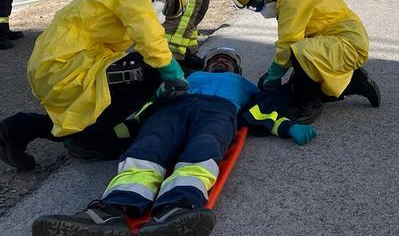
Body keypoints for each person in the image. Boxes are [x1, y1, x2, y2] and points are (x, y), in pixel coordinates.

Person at [31, 55, 317, 236]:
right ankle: (108, 212)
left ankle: (177, 209)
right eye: (216, 59)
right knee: (148, 146)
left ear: (236, 68)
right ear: (207, 64)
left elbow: (259, 111)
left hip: (219, 112)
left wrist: (288, 126)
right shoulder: (189, 77)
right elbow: (149, 104)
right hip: (174, 108)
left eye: (227, 61)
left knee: (204, 147)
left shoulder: (243, 84)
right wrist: (111, 132)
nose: (221, 63)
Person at [0, 0, 189, 171]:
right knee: (149, 70)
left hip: (61, 65)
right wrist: (172, 74)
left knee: (95, 106)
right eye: (169, 7)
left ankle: (18, 129)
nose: (164, 14)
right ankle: (89, 140)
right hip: (65, 65)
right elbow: (149, 38)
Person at [231, 0, 381, 124]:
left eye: (256, 2)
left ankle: (311, 104)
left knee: (299, 54)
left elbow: (288, 44)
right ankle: (355, 82)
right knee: (298, 82)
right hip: (337, 41)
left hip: (350, 45)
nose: (259, 8)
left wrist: (273, 76)